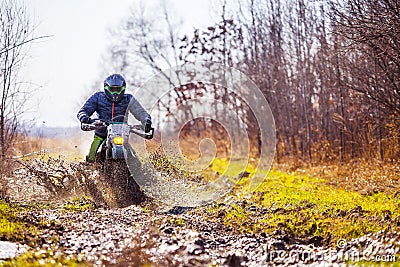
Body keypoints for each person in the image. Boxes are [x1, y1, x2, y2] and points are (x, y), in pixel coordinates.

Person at [77, 73, 151, 162]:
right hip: (101, 134)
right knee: (91, 157)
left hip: (122, 135)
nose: (115, 92)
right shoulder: (97, 97)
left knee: (136, 162)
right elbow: (83, 110)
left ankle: (138, 174)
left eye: (118, 89)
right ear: (106, 88)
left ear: (123, 88)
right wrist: (84, 117)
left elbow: (140, 112)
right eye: (112, 89)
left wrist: (146, 120)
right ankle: (88, 173)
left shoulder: (128, 99)